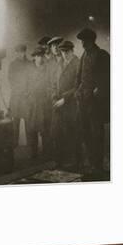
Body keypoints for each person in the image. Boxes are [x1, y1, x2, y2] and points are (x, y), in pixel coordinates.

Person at [75, 28, 110, 178]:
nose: (82, 44)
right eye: (82, 41)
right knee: (85, 132)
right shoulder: (84, 55)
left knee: (97, 134)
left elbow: (108, 78)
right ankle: (89, 163)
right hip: (83, 100)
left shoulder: (102, 55)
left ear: (91, 41)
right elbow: (80, 75)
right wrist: (77, 90)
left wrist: (99, 90)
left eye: (84, 41)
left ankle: (98, 166)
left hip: (96, 103)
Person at [51, 40, 80, 169]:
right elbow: (53, 83)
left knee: (72, 134)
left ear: (72, 51)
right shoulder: (59, 64)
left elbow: (78, 86)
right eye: (62, 52)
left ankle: (75, 162)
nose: (64, 55)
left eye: (67, 52)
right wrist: (53, 96)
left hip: (71, 104)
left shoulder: (77, 64)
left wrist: (64, 99)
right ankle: (59, 161)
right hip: (58, 104)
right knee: (58, 133)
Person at [26, 46, 50, 159]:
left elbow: (50, 84)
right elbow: (25, 84)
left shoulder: (47, 69)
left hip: (43, 102)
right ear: (34, 57)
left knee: (44, 128)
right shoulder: (29, 69)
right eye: (38, 56)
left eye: (42, 56)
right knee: (32, 128)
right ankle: (33, 152)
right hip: (32, 102)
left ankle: (46, 152)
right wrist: (28, 95)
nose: (40, 58)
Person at [7, 44, 31, 150]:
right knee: (15, 121)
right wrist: (18, 89)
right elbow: (10, 79)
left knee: (28, 121)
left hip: (27, 96)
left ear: (25, 52)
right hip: (16, 96)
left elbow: (32, 79)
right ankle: (14, 143)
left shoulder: (30, 64)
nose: (19, 54)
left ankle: (30, 144)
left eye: (21, 52)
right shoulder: (13, 64)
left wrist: (27, 91)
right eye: (17, 52)